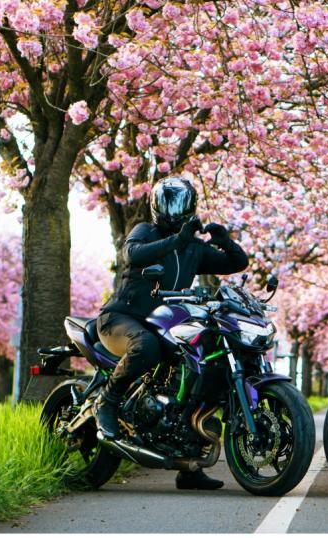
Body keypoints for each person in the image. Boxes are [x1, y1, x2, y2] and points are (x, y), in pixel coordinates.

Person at [96, 176, 249, 491]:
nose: (173, 210)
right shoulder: (145, 231)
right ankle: (107, 402)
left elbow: (237, 263)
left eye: (179, 204)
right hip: (120, 318)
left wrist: (224, 239)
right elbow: (133, 255)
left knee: (198, 375)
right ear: (155, 205)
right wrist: (178, 240)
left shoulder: (192, 248)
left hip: (164, 322)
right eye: (168, 203)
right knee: (146, 347)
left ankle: (189, 467)